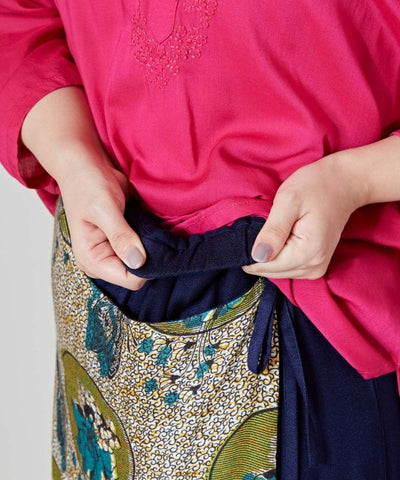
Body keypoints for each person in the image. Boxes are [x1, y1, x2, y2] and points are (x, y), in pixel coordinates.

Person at [1, 1, 400, 478]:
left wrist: (358, 179)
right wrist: (73, 161)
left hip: (318, 300)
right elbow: (21, 19)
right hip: (108, 282)